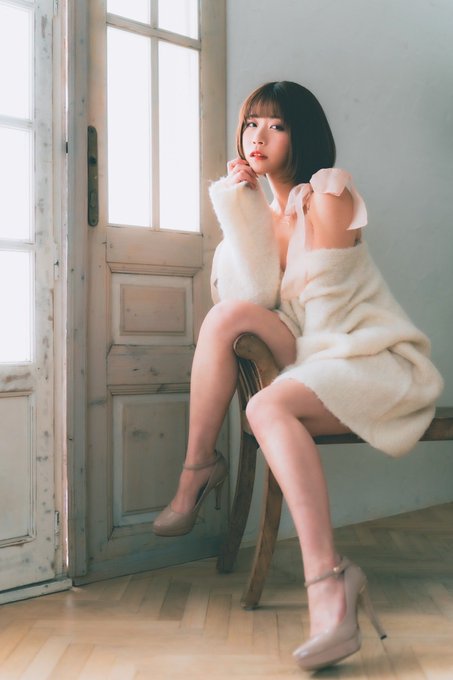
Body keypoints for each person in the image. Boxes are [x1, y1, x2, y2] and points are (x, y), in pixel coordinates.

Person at [153, 81, 444, 670]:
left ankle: (329, 588)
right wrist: (241, 208)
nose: (257, 136)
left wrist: (287, 381)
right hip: (314, 351)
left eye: (276, 125)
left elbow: (331, 319)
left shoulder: (330, 195)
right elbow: (251, 299)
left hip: (366, 356)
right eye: (250, 124)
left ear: (301, 135)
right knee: (225, 317)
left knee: (265, 406)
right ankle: (199, 467)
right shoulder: (264, 213)